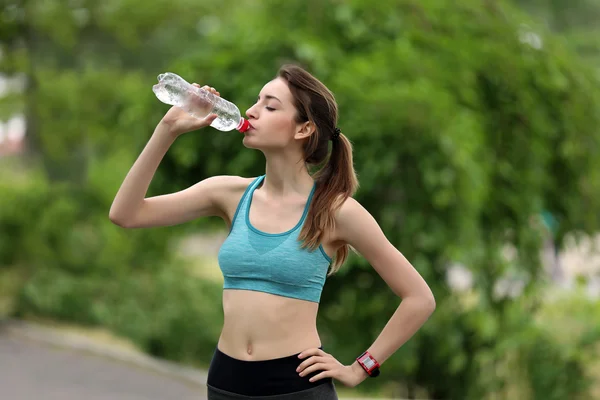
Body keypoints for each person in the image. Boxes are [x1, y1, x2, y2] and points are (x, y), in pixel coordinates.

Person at [109, 64, 436, 399]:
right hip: (225, 383)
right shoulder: (227, 194)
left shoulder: (335, 211)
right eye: (256, 101)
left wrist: (360, 368)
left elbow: (419, 298)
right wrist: (167, 130)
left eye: (270, 105)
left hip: (294, 388)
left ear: (303, 129)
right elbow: (125, 213)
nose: (251, 111)